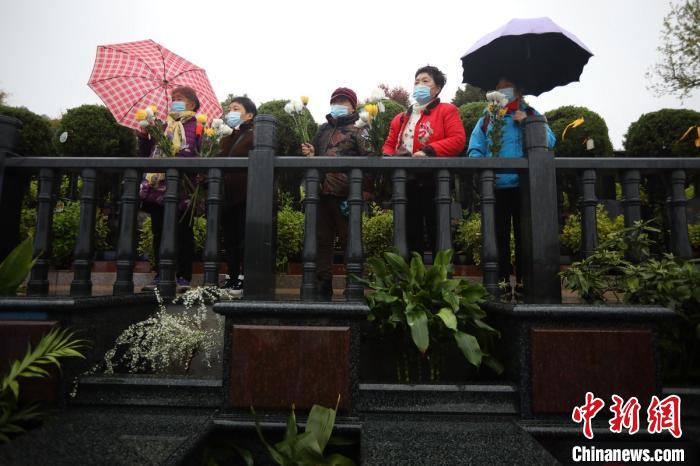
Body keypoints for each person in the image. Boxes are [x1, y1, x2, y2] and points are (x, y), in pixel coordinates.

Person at [467, 77, 556, 295]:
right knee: (498, 235)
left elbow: (550, 142)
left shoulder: (532, 114)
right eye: (498, 87)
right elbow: (475, 147)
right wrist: (484, 169)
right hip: (497, 186)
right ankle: (502, 282)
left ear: (518, 89)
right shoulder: (487, 118)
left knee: (526, 236)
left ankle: (527, 282)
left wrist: (526, 120)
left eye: (506, 87)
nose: (502, 91)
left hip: (527, 186)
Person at [382, 65, 466, 257]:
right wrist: (387, 159)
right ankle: (412, 279)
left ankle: (440, 279)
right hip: (406, 182)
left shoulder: (447, 110)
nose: (419, 85)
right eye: (416, 82)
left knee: (438, 228)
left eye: (425, 81)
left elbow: (458, 140)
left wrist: (428, 151)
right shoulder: (400, 118)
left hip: (435, 181)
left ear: (437, 88)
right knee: (410, 230)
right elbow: (388, 145)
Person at [301, 87, 372, 300]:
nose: (338, 105)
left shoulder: (361, 128)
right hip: (322, 192)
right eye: (335, 101)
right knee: (322, 240)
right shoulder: (322, 129)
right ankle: (323, 284)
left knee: (350, 239)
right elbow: (314, 152)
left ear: (353, 105)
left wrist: (365, 193)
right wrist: (310, 153)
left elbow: (370, 158)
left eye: (343, 101)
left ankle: (354, 284)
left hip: (347, 194)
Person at [138, 86, 202, 292]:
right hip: (159, 189)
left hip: (184, 188)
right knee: (159, 232)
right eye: (173, 98)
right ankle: (161, 275)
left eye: (180, 98)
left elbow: (203, 155)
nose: (175, 101)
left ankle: (184, 276)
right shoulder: (163, 126)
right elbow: (147, 155)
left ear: (192, 104)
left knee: (183, 233)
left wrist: (179, 156)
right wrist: (144, 137)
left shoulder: (199, 126)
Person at [217, 96, 257, 294]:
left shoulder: (254, 134)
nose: (230, 112)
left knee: (244, 238)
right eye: (229, 108)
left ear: (249, 115)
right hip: (226, 195)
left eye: (236, 108)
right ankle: (232, 275)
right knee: (229, 238)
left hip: (245, 194)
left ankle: (243, 276)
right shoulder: (225, 135)